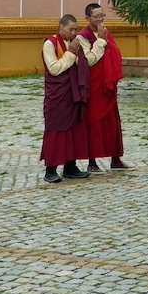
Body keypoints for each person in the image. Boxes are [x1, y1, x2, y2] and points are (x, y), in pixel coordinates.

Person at [77, 3, 132, 173]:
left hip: (107, 84)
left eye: (102, 16)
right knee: (93, 121)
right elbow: (89, 61)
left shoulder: (106, 32)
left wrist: (107, 43)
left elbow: (114, 51)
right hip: (94, 85)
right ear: (87, 19)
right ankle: (92, 162)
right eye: (97, 16)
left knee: (112, 121)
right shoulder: (81, 37)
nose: (100, 19)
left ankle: (116, 158)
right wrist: (101, 41)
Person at [40, 14, 91, 183]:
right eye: (71, 29)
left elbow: (83, 65)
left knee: (73, 130)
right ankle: (51, 169)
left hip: (72, 94)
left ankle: (70, 166)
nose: (74, 32)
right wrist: (70, 54)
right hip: (57, 95)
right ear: (61, 27)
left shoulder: (74, 43)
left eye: (76, 29)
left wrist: (76, 54)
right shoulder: (50, 44)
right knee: (56, 130)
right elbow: (54, 69)